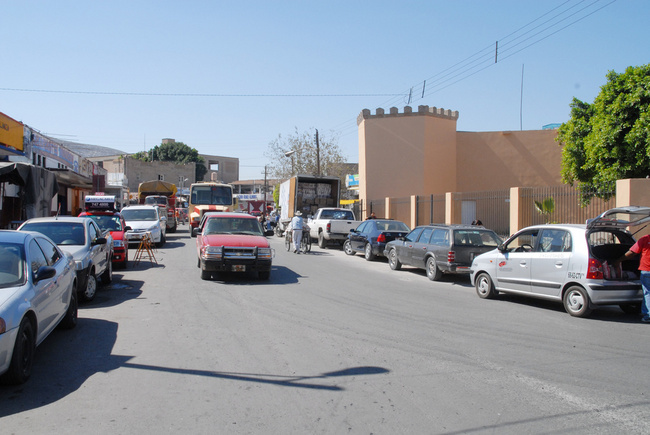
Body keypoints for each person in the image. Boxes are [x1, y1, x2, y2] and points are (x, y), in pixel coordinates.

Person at [617, 235, 650, 323]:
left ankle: (648, 316)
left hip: (647, 270)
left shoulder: (645, 239)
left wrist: (618, 260)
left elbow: (632, 253)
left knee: (648, 293)